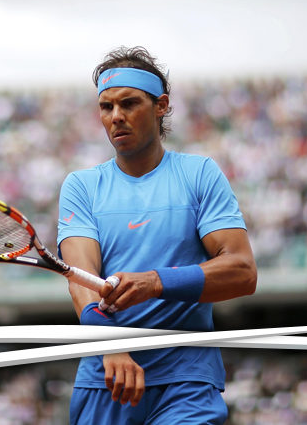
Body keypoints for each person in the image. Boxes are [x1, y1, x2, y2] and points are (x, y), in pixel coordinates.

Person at [57, 46, 258, 424]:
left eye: (129, 103)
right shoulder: (81, 186)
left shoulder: (200, 174)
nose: (116, 116)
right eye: (106, 107)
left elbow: (243, 272)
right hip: (107, 378)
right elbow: (80, 279)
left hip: (187, 382)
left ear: (161, 105)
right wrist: (111, 343)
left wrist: (154, 282)